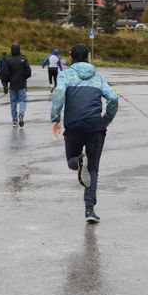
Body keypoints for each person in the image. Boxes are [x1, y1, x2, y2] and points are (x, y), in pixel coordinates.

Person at [50, 43, 118, 224]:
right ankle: (90, 210)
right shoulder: (98, 77)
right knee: (93, 168)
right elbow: (113, 98)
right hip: (96, 126)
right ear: (88, 58)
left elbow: (59, 93)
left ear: (70, 57)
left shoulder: (65, 75)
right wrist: (106, 119)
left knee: (72, 161)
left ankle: (79, 161)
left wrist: (55, 118)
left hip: (74, 126)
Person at [2, 42, 31, 128]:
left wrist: (7, 81)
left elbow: (5, 73)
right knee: (22, 100)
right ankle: (21, 113)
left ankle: (15, 121)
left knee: (13, 102)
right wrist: (23, 77)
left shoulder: (9, 60)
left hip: (12, 85)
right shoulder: (24, 59)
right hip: (22, 84)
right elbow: (28, 72)